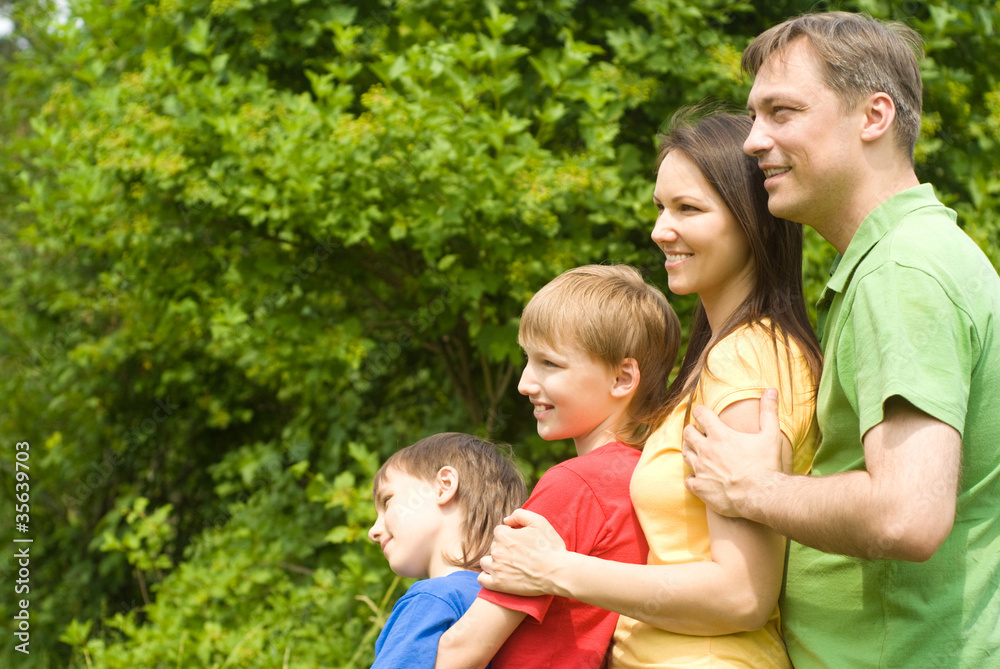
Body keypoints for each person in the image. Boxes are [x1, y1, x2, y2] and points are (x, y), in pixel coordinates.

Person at [679, 12, 1000, 669]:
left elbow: (906, 513)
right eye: (754, 116)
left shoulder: (902, 270)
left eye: (783, 112)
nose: (753, 141)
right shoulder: (911, 255)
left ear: (874, 116)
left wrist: (752, 488)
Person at [474, 111, 823, 668]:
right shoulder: (728, 353)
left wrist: (554, 568)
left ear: (752, 222)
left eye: (688, 209)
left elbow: (741, 595)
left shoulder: (745, 360)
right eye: (661, 207)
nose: (661, 230)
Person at [435, 264, 682, 668]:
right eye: (528, 360)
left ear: (622, 378)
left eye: (549, 364)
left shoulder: (575, 484)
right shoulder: (646, 475)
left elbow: (462, 651)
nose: (524, 384)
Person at [368, 432, 527, 668]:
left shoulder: (430, 600)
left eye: (387, 500)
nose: (373, 532)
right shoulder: (516, 600)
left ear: (444, 486)